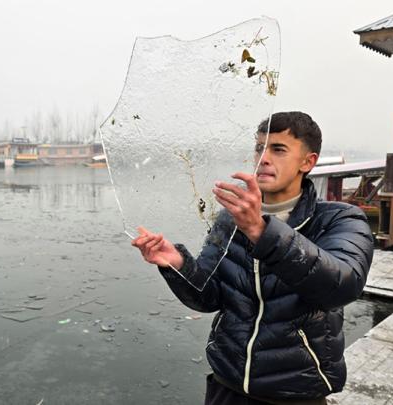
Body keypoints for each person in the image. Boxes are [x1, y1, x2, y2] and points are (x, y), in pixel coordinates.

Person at [132, 112, 374, 404]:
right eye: (260, 147)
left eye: (278, 149)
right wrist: (177, 264)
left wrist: (261, 231)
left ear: (307, 162)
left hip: (296, 394)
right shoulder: (230, 220)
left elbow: (341, 287)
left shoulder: (339, 219)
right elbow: (209, 298)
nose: (264, 157)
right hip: (227, 385)